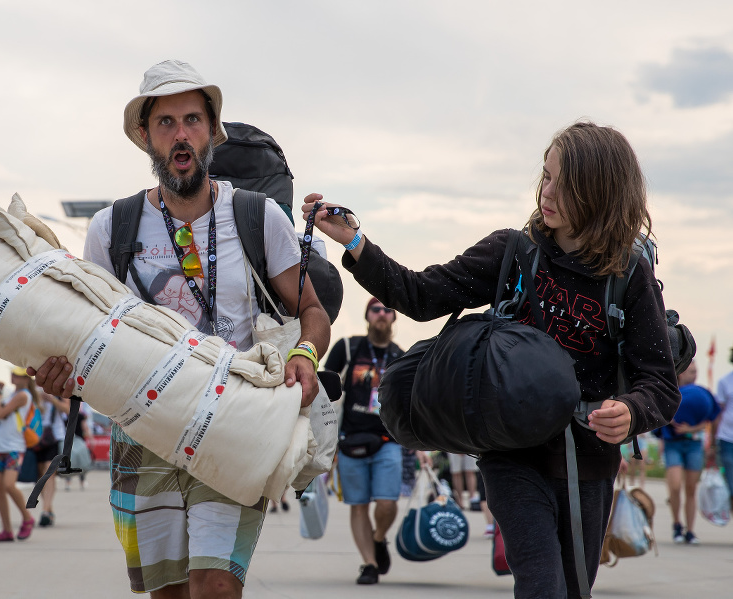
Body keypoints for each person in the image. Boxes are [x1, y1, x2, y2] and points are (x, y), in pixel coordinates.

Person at [306, 122, 681, 597]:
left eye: (566, 184)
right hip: (510, 454)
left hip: (588, 462)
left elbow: (661, 385)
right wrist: (355, 242)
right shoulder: (514, 253)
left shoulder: (627, 275)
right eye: (546, 177)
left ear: (601, 193)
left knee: (573, 589)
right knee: (542, 586)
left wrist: (632, 412)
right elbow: (421, 296)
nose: (548, 192)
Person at [31, 59, 330, 598]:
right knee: (169, 594)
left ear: (212, 131)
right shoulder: (111, 229)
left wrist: (305, 354)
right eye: (166, 123)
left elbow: (313, 310)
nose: (181, 134)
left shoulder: (259, 217)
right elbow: (86, 332)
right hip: (140, 432)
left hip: (233, 420)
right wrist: (61, 371)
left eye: (192, 119)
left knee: (215, 587)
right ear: (145, 137)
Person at [322, 297, 413, 585]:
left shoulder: (401, 356)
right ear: (367, 316)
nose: (382, 314)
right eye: (376, 309)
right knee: (358, 504)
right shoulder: (348, 348)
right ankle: (369, 564)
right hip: (350, 440)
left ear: (394, 318)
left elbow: (410, 401)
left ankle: (378, 538)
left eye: (388, 310)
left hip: (388, 440)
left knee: (387, 503)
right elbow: (325, 385)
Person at [657, 362, 719, 545]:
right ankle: (677, 524)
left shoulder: (702, 393)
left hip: (693, 445)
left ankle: (690, 531)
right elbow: (659, 417)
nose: (694, 375)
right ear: (681, 373)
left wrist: (690, 428)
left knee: (691, 489)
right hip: (672, 445)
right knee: (675, 486)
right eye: (691, 372)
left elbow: (711, 420)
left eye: (696, 372)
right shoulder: (669, 393)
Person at [0, 367, 38, 542]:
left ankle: (27, 518)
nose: (13, 376)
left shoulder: (23, 396)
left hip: (14, 447)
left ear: (26, 379)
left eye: (18, 375)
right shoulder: (11, 395)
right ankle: (6, 530)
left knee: (8, 485)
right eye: (13, 373)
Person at [34, 392, 70, 526]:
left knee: (49, 474)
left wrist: (52, 400)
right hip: (36, 436)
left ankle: (44, 511)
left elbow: (68, 410)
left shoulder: (60, 389)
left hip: (54, 437)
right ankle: (49, 510)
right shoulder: (33, 388)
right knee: (39, 476)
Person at [713, 346, 733, 510]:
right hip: (727, 437)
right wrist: (713, 440)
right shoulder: (725, 381)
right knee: (730, 474)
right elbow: (718, 413)